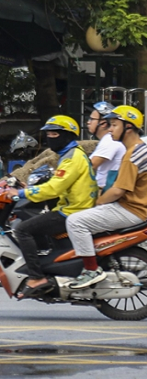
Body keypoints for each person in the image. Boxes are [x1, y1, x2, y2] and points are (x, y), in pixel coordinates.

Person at [5, 115, 98, 299]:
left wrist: (21, 194)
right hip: (71, 208)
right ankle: (50, 268)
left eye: (54, 133)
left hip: (72, 212)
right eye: (48, 134)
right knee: (35, 225)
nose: (50, 137)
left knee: (23, 230)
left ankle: (36, 277)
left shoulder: (72, 158)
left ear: (68, 135)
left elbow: (55, 188)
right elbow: (57, 181)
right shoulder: (70, 155)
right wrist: (28, 188)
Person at [65, 105, 147, 289]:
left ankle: (91, 270)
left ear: (128, 127)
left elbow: (118, 191)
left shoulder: (132, 155)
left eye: (114, 125)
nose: (110, 129)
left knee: (75, 222)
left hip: (132, 210)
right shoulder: (138, 149)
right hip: (135, 207)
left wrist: (98, 202)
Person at [86, 101, 126, 192]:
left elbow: (90, 166)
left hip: (104, 190)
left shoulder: (110, 140)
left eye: (92, 119)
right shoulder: (107, 139)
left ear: (103, 123)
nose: (88, 122)